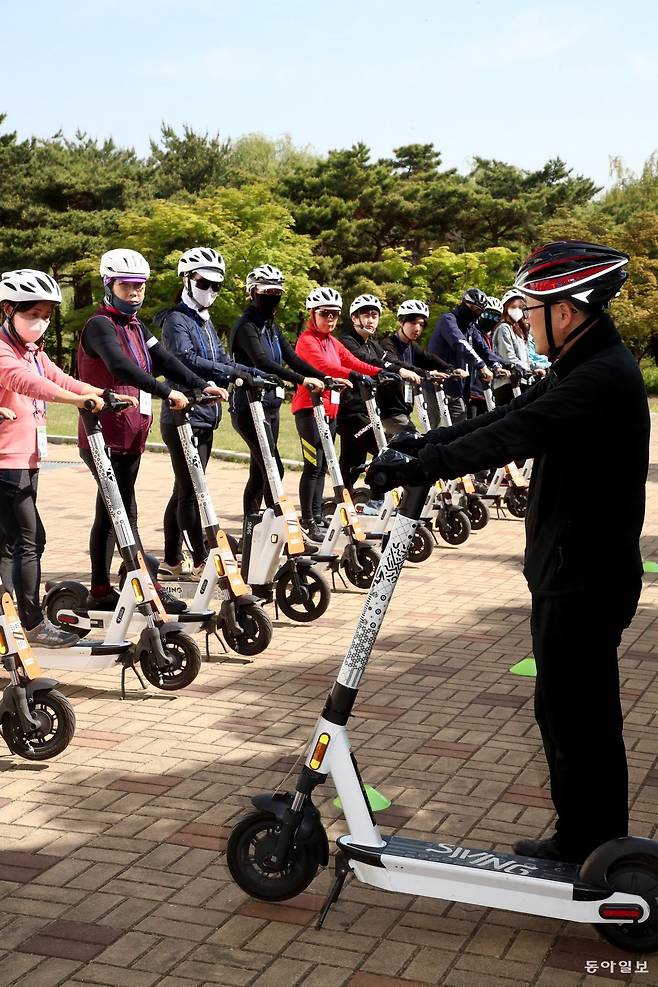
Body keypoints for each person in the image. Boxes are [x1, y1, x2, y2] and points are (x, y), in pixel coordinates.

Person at [372, 241, 649, 865]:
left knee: (581, 716)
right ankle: (586, 836)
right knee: (562, 708)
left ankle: (603, 849)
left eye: (534, 308)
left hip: (585, 574)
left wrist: (425, 464)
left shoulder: (601, 377)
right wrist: (425, 440)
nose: (522, 319)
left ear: (569, 313)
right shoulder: (582, 365)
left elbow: (518, 433)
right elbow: (509, 413)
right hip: (570, 568)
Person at [77, 248, 224, 612]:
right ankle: (144, 586)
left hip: (130, 434)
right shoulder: (100, 325)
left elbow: (164, 360)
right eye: (127, 286)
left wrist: (199, 383)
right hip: (102, 434)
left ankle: (101, 589)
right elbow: (121, 366)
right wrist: (166, 390)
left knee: (112, 511)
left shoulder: (137, 326)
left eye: (139, 287)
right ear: (109, 285)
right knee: (123, 510)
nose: (135, 293)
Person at [0, 269, 106, 646]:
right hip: (7, 462)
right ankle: (29, 624)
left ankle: (9, 617)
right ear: (8, 310)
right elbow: (28, 384)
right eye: (32, 315)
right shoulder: (3, 351)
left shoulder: (32, 352)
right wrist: (79, 400)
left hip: (26, 459)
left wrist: (97, 392)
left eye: (46, 316)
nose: (40, 323)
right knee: (28, 541)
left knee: (15, 542)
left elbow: (58, 378)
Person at [156, 247, 258, 578]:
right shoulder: (176, 320)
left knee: (183, 488)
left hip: (205, 416)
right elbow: (184, 358)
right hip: (182, 415)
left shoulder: (205, 320)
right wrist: (224, 374)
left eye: (217, 286)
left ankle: (172, 560)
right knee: (190, 490)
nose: (210, 291)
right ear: (186, 279)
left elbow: (222, 360)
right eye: (204, 283)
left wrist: (250, 372)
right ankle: (199, 558)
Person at [229, 265, 325, 516]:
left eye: (277, 292)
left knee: (260, 472)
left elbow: (292, 359)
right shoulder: (246, 326)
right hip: (248, 406)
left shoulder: (271, 327)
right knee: (273, 468)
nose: (272, 298)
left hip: (270, 405)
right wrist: (303, 381)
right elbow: (263, 362)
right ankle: (281, 529)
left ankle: (254, 530)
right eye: (266, 292)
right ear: (252, 293)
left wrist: (324, 377)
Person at [291, 287, 382, 542]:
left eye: (334, 314)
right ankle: (308, 519)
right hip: (308, 411)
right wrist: (352, 375)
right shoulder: (307, 340)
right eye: (324, 313)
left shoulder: (332, 341)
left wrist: (377, 372)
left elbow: (351, 360)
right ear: (313, 313)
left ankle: (319, 516)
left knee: (324, 467)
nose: (330, 319)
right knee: (313, 466)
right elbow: (323, 366)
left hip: (329, 413)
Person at [337, 294, 421, 498]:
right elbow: (367, 361)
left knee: (352, 459)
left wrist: (423, 373)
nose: (371, 320)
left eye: (375, 315)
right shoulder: (347, 342)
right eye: (366, 315)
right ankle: (376, 499)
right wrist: (396, 371)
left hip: (367, 409)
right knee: (382, 449)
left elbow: (390, 360)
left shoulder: (373, 343)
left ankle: (344, 499)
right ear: (354, 318)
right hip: (349, 410)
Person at [379, 299, 461, 437]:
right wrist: (426, 373)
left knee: (392, 451)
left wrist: (450, 369)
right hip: (391, 412)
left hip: (404, 410)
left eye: (421, 324)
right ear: (401, 322)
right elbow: (398, 364)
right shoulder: (387, 344)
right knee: (416, 442)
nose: (417, 328)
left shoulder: (411, 346)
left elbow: (429, 358)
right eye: (413, 322)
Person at [427, 288, 495, 423]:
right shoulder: (448, 320)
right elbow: (459, 342)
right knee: (430, 425)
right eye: (472, 308)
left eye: (479, 311)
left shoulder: (471, 327)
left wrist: (499, 365)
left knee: (460, 427)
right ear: (463, 302)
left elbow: (485, 350)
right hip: (436, 384)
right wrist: (481, 365)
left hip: (457, 387)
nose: (474, 313)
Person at [492, 289, 545, 404]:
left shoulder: (519, 331)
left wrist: (536, 368)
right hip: (507, 384)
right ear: (506, 308)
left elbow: (525, 359)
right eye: (513, 307)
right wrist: (528, 369)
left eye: (521, 307)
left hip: (523, 382)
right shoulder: (503, 328)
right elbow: (508, 357)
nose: (518, 310)